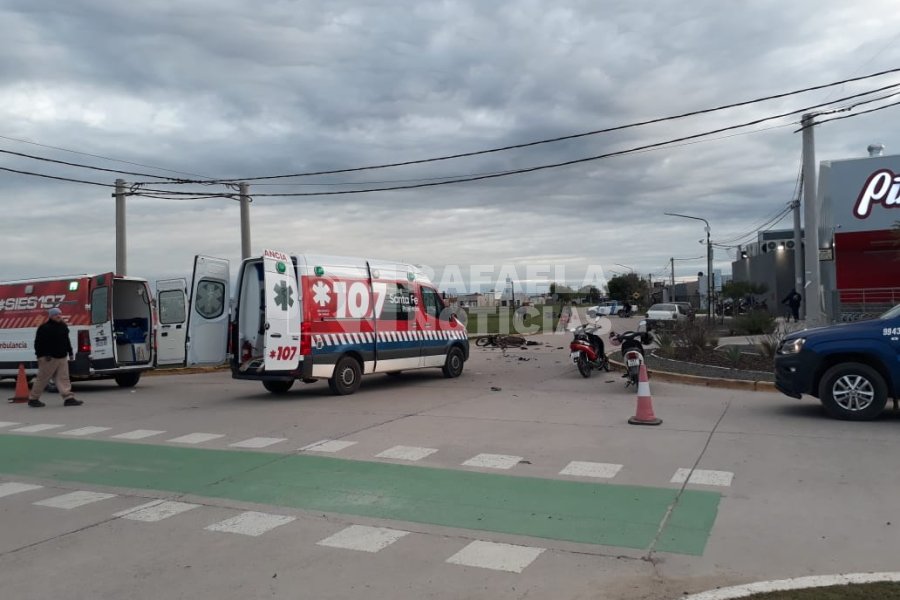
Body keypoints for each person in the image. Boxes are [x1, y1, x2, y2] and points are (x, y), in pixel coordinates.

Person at [28, 307, 82, 408]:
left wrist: (70, 352)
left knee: (64, 378)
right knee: (43, 378)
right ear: (51, 316)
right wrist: (43, 355)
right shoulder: (44, 328)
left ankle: (68, 398)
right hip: (48, 358)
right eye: (56, 314)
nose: (58, 316)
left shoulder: (63, 327)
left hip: (62, 357)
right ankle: (33, 399)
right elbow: (38, 343)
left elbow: (66, 340)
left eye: (59, 314)